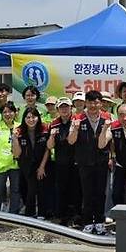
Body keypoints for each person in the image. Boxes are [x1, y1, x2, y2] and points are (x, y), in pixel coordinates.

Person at [68, 90, 112, 234]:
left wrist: (105, 127)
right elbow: (71, 141)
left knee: (100, 192)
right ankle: (87, 221)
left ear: (101, 103)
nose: (93, 105)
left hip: (102, 161)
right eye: (90, 102)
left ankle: (99, 220)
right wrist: (74, 128)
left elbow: (105, 142)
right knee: (87, 192)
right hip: (84, 162)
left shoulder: (107, 118)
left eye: (96, 102)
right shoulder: (77, 117)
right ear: (86, 103)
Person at [48, 97, 80, 226]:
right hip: (61, 163)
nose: (64, 109)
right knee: (61, 189)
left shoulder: (77, 121)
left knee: (77, 190)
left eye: (66, 107)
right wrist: (51, 135)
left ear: (71, 108)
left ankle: (77, 216)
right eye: (61, 107)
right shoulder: (54, 123)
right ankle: (62, 216)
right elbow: (49, 146)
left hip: (77, 162)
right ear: (57, 109)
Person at [12, 107, 49, 218]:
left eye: (34, 117)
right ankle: (30, 213)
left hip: (42, 162)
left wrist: (42, 166)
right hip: (26, 164)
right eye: (28, 117)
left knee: (42, 188)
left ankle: (42, 213)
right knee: (30, 189)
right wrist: (14, 138)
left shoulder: (44, 129)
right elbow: (17, 154)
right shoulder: (19, 131)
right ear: (24, 119)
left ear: (38, 118)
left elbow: (48, 149)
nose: (31, 120)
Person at [0, 102, 21, 214]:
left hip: (16, 164)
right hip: (0, 165)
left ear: (15, 113)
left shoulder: (19, 126)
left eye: (10, 111)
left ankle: (14, 214)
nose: (8, 114)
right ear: (1, 114)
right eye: (5, 112)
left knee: (15, 190)